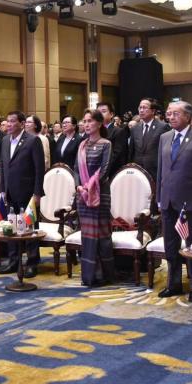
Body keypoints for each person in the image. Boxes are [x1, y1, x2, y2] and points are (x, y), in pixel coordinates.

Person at [156, 101, 192, 302]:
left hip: (190, 201)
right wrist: (159, 198)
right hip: (167, 200)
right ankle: (173, 284)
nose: (170, 117)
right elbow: (161, 171)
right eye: (169, 113)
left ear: (188, 117)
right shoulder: (164, 137)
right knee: (170, 246)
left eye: (175, 114)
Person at [0, 111, 45, 278]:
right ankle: (13, 260)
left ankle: (32, 262)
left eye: (12, 121)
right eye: (7, 121)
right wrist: (2, 189)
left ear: (22, 123)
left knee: (29, 227)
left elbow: (39, 169)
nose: (9, 124)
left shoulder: (32, 140)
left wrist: (37, 193)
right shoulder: (5, 141)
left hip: (27, 192)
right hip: (10, 191)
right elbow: (3, 166)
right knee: (11, 226)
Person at [73, 109, 115, 286]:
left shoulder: (106, 144)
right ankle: (89, 276)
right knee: (88, 236)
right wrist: (79, 186)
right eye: (84, 121)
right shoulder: (82, 145)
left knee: (101, 234)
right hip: (82, 195)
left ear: (99, 123)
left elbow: (104, 170)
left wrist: (89, 186)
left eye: (90, 121)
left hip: (99, 194)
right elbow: (76, 169)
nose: (86, 124)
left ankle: (103, 275)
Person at [129, 98, 170, 182]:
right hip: (138, 171)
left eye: (144, 108)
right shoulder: (135, 128)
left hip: (155, 171)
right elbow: (131, 151)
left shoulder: (162, 127)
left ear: (153, 111)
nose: (141, 110)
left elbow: (166, 151)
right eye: (140, 107)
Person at [98, 102, 128, 177]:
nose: (100, 114)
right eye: (98, 112)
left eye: (103, 111)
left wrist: (101, 167)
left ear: (111, 114)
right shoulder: (95, 131)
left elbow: (116, 154)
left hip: (111, 172)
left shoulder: (118, 131)